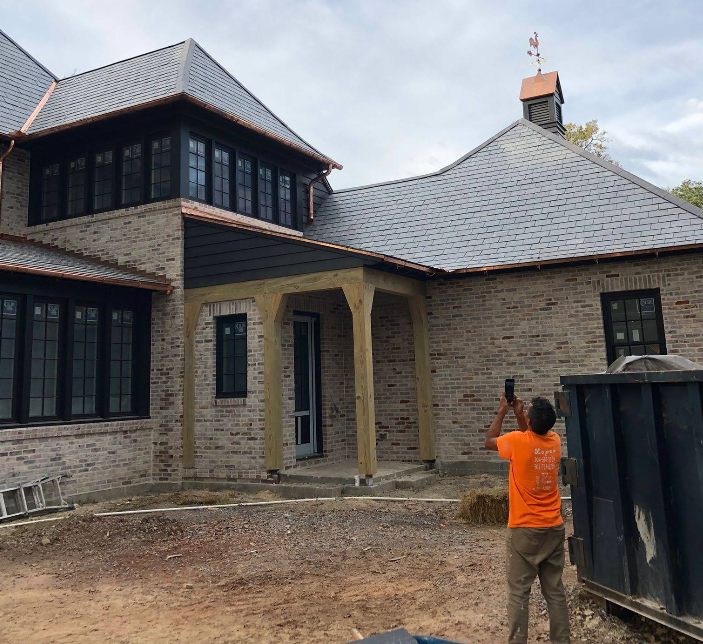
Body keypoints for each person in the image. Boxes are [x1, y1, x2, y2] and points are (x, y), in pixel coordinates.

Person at [484, 393, 570, 644]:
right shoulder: (554, 440)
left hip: (524, 530)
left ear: (531, 422)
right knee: (555, 592)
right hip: (553, 527)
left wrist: (503, 411)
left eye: (527, 411)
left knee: (519, 594)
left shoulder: (517, 442)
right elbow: (530, 437)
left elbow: (489, 440)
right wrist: (521, 414)